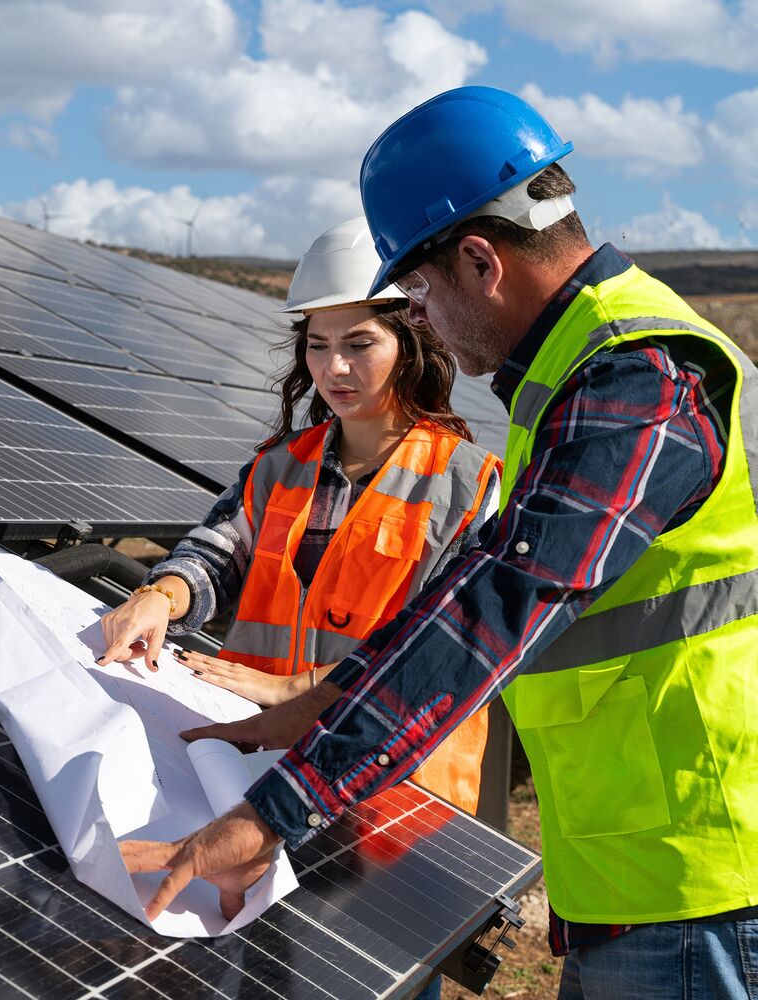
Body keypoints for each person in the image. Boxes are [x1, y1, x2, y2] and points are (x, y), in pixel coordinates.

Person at [119, 87, 758, 1000]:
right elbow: (470, 586)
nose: (425, 319)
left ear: (478, 260)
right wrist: (324, 698)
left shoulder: (637, 377)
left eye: (415, 291)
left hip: (700, 880)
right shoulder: (581, 374)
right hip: (638, 871)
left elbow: (505, 603)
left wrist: (278, 812)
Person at [99, 216, 501, 818]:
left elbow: (454, 643)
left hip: (389, 781)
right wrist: (164, 593)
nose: (334, 367)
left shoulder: (468, 485)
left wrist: (301, 690)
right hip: (248, 757)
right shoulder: (278, 468)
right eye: (319, 344)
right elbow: (218, 553)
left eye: (359, 344)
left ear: (411, 343)